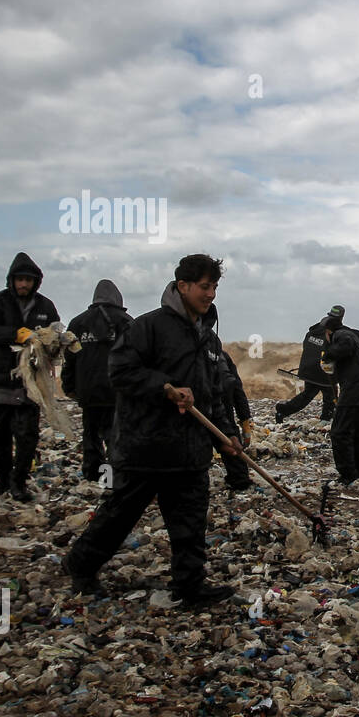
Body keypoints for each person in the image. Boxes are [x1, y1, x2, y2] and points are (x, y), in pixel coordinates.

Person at [61, 254, 243, 606]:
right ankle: (80, 565)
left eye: (215, 287)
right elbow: (120, 372)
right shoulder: (147, 327)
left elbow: (213, 395)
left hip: (190, 451)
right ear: (183, 286)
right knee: (119, 515)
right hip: (146, 446)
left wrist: (226, 434)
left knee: (190, 522)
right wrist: (165, 387)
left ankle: (189, 585)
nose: (211, 295)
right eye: (205, 287)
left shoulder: (208, 338)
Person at [0, 252, 60, 502]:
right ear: (11, 280)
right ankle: (2, 479)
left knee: (27, 435)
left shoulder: (45, 306)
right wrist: (17, 334)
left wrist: (56, 343)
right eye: (19, 279)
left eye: (28, 280)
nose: (24, 284)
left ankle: (19, 482)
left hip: (31, 384)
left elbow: (55, 333)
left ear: (36, 282)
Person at [63, 279, 133, 485]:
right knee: (115, 437)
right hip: (116, 392)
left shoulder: (77, 323)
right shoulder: (126, 322)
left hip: (88, 391)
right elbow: (135, 358)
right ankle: (112, 479)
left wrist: (69, 387)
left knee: (91, 436)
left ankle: (93, 475)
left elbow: (70, 359)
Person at [321, 307, 359, 485]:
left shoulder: (342, 335)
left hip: (356, 388)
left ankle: (348, 475)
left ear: (328, 332)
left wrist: (327, 356)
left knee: (339, 432)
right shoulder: (357, 339)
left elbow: (343, 346)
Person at [275, 308, 339, 424]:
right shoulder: (334, 331)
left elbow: (307, 347)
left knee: (307, 395)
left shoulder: (312, 331)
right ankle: (326, 419)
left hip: (308, 369)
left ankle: (283, 411)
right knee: (330, 395)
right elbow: (334, 351)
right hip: (323, 371)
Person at [219, 350, 254, 493]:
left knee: (229, 437)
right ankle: (240, 480)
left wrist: (245, 420)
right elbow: (237, 388)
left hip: (217, 403)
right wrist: (244, 420)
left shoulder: (217, 352)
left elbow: (236, 388)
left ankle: (240, 481)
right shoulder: (219, 353)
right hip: (195, 405)